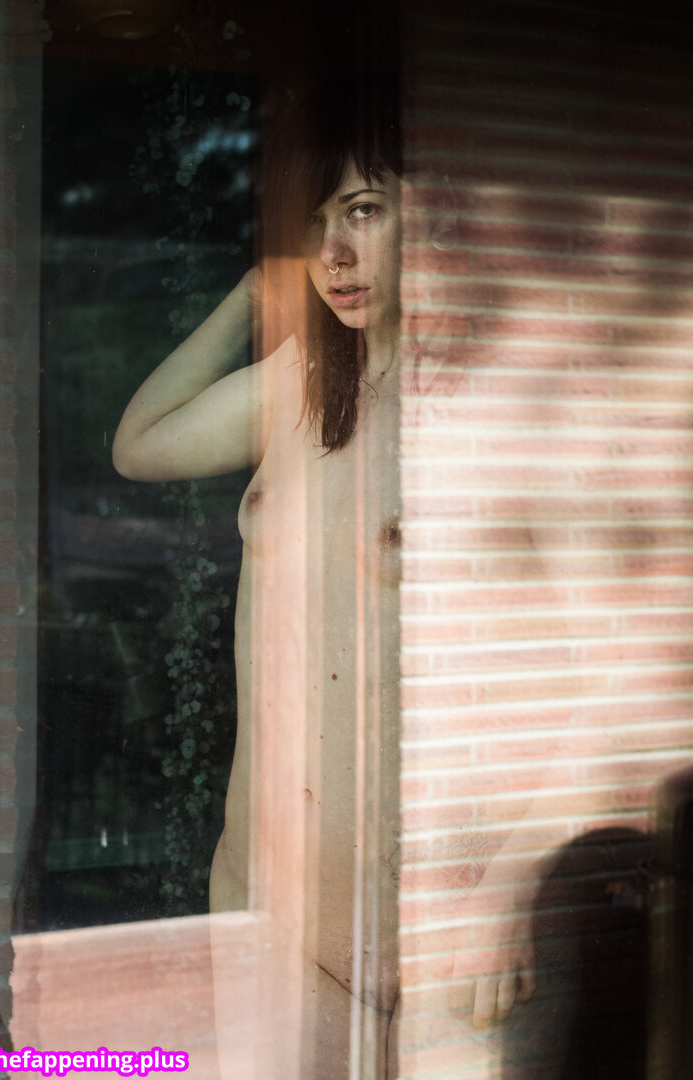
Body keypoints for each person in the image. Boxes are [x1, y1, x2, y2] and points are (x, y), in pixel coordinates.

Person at [113, 80, 534, 1078]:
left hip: (428, 924)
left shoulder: (487, 410)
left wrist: (510, 889)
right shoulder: (303, 385)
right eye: (312, 224)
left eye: (363, 211)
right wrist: (258, 289)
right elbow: (139, 445)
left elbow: (590, 669)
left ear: (437, 217)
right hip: (262, 898)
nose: (333, 253)